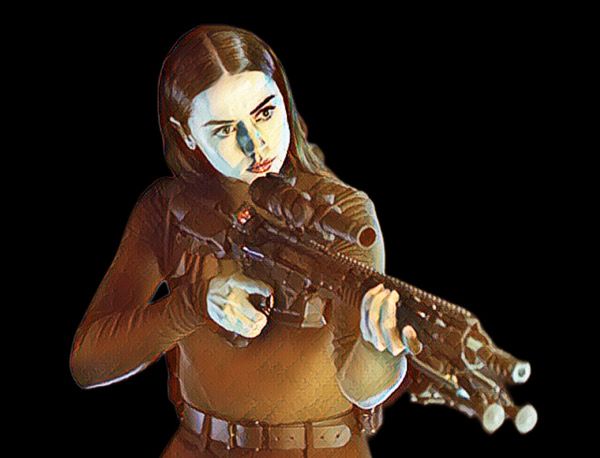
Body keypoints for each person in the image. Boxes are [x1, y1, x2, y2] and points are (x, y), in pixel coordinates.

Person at [70, 24, 410, 457]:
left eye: (265, 113)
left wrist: (381, 348)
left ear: (284, 98)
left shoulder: (343, 216)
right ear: (186, 134)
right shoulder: (169, 210)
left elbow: (361, 387)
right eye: (225, 130)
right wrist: (195, 304)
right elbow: (89, 363)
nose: (255, 145)